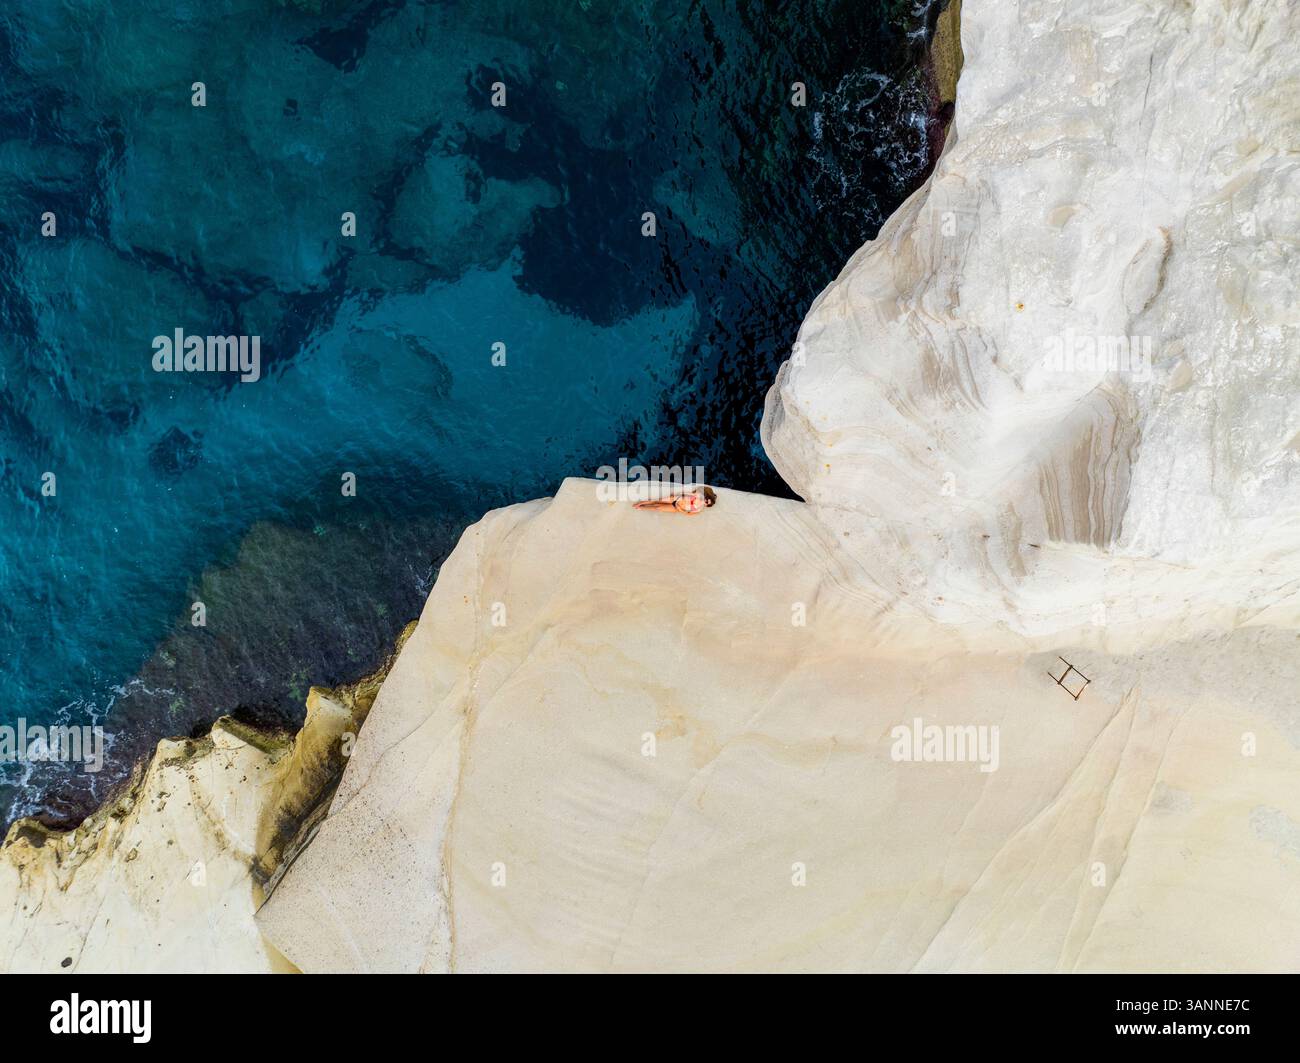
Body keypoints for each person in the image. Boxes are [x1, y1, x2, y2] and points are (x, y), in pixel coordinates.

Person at [633, 486, 717, 515]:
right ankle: (641, 503)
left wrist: (680, 509)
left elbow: (688, 513)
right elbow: (687, 493)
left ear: (706, 505)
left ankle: (642, 508)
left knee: (658, 508)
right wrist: (677, 494)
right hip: (677, 499)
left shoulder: (699, 509)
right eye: (707, 500)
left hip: (676, 508)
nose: (705, 502)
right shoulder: (699, 496)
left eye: (707, 504)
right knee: (657, 501)